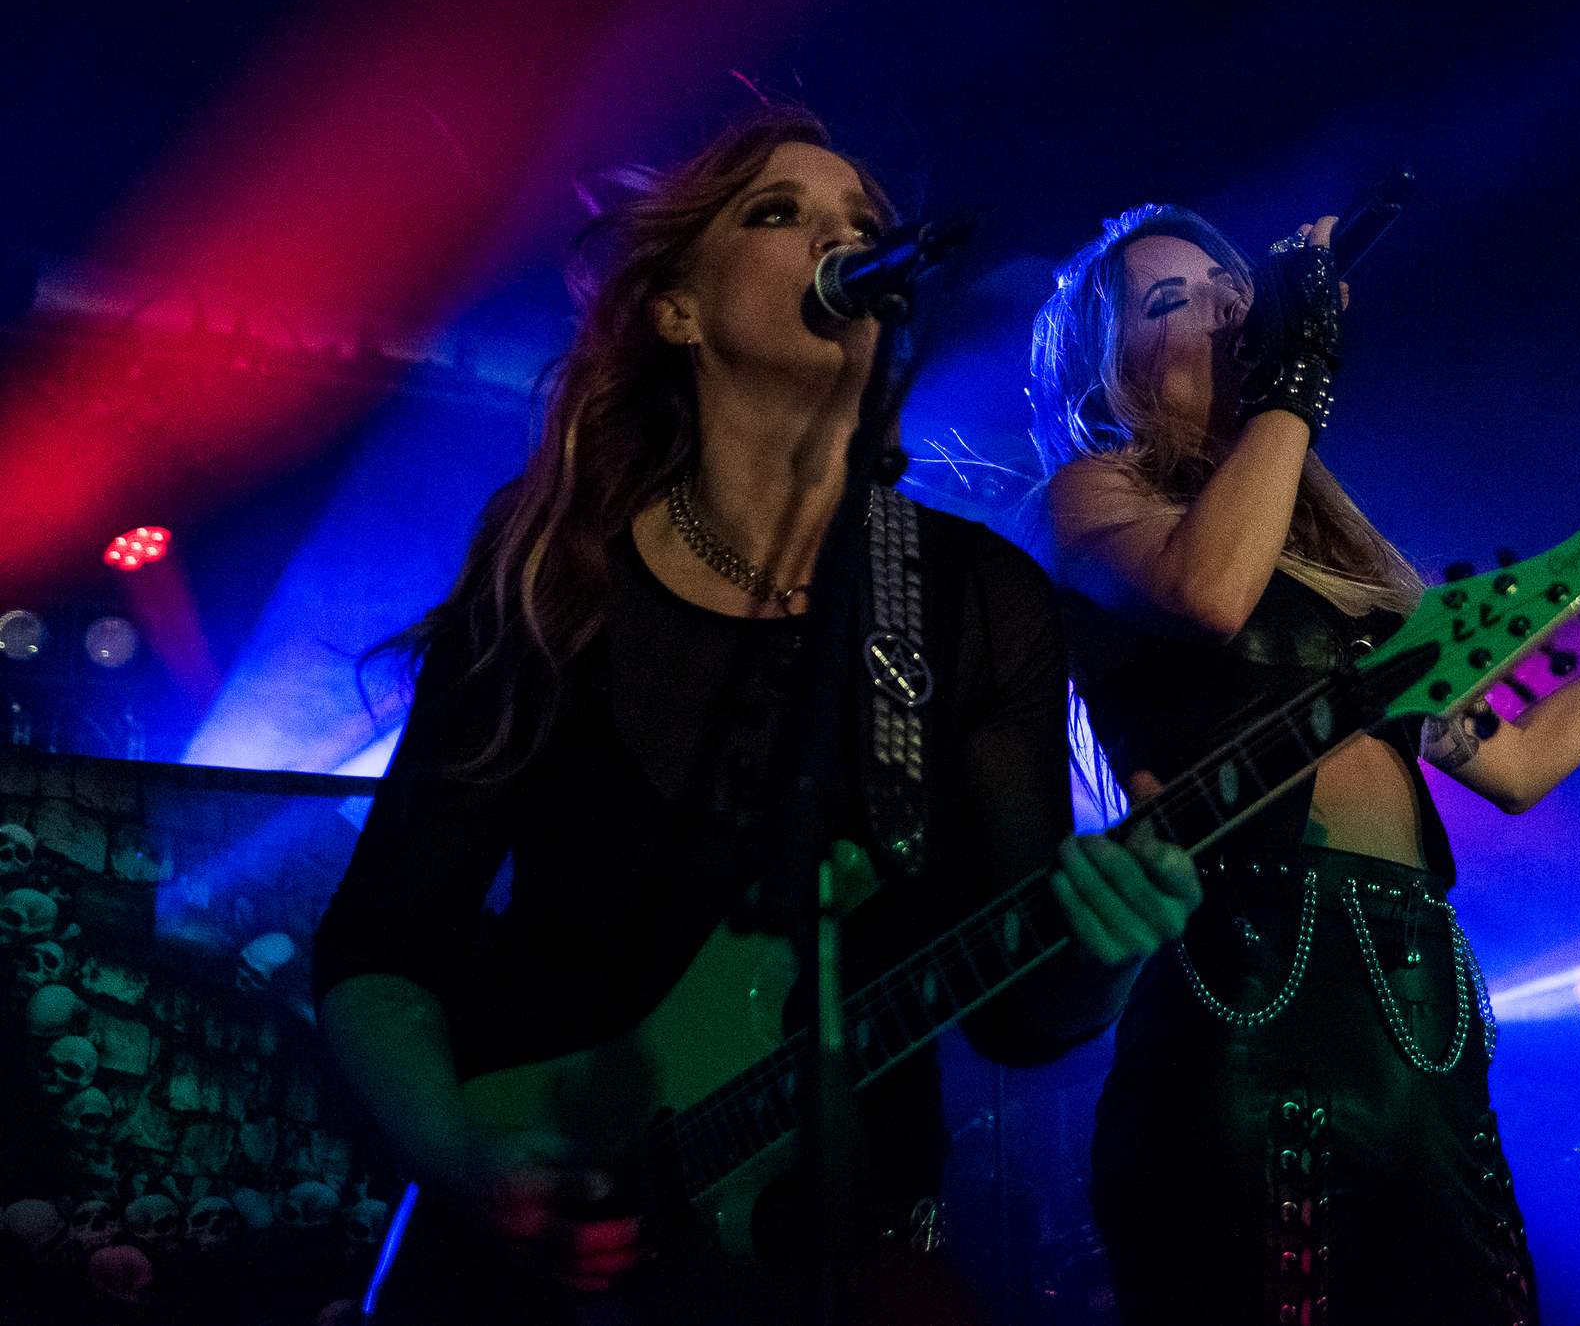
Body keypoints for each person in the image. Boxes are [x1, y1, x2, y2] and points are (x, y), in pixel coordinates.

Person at [311, 106, 1201, 1324]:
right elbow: (379, 953)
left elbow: (1017, 1015)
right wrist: (469, 1161)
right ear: (677, 307)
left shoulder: (974, 598)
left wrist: (1108, 954)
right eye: (779, 214)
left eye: (865, 228)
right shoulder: (557, 570)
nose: (842, 243)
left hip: (841, 1260)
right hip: (542, 1263)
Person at [1023, 204, 1580, 1325]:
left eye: (1229, 290)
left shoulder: (1328, 546)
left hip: (1413, 991)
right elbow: (1210, 592)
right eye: (1172, 301)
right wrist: (1298, 384)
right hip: (1242, 990)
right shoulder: (1095, 495)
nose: (1221, 312)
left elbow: (1516, 763)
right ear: (1106, 369)